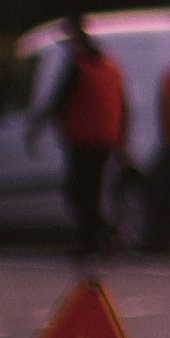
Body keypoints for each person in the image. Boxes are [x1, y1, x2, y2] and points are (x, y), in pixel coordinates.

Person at [47, 13, 131, 261]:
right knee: (93, 191)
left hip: (82, 138)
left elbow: (58, 102)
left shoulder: (78, 67)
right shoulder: (111, 66)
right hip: (107, 138)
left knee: (78, 192)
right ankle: (94, 242)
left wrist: (45, 124)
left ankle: (101, 235)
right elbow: (124, 105)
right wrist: (121, 138)